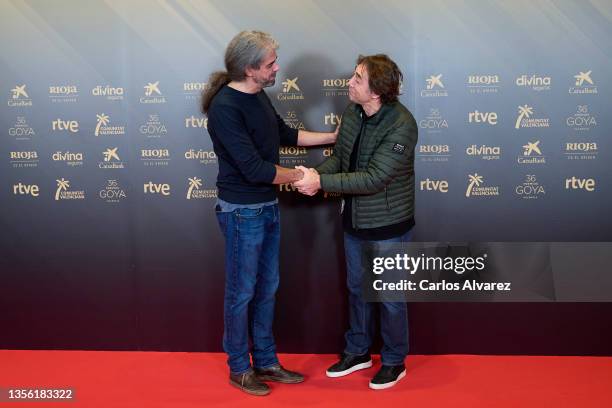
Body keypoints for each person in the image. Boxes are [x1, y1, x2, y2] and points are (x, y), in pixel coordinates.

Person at [201, 30, 337, 396]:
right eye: (271, 63)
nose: (277, 67)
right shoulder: (225, 108)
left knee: (267, 289)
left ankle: (265, 361)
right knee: (241, 292)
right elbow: (255, 169)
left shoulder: (259, 96)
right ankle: (239, 368)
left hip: (266, 208)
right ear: (250, 68)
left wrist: (333, 137)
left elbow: (286, 135)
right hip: (242, 211)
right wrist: (305, 176)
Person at [293, 54, 417, 390]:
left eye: (358, 79)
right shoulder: (352, 113)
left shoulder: (402, 125)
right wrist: (316, 173)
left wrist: (321, 184)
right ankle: (358, 351)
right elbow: (343, 163)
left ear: (376, 92)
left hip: (389, 226)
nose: (349, 82)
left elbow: (374, 178)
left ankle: (394, 360)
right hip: (354, 222)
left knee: (389, 296)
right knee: (357, 291)